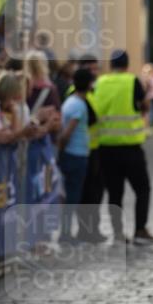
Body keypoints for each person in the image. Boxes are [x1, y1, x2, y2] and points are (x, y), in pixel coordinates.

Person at [94, 49, 153, 246]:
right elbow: (144, 105)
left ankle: (118, 234)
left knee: (114, 193)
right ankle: (140, 230)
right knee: (142, 189)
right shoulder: (132, 81)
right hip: (130, 147)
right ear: (127, 64)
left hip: (105, 147)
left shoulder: (100, 82)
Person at [57, 68, 94, 244]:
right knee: (73, 196)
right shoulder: (79, 105)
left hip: (72, 154)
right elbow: (67, 133)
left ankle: (65, 232)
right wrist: (61, 150)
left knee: (70, 195)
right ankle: (65, 234)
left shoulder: (70, 101)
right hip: (76, 155)